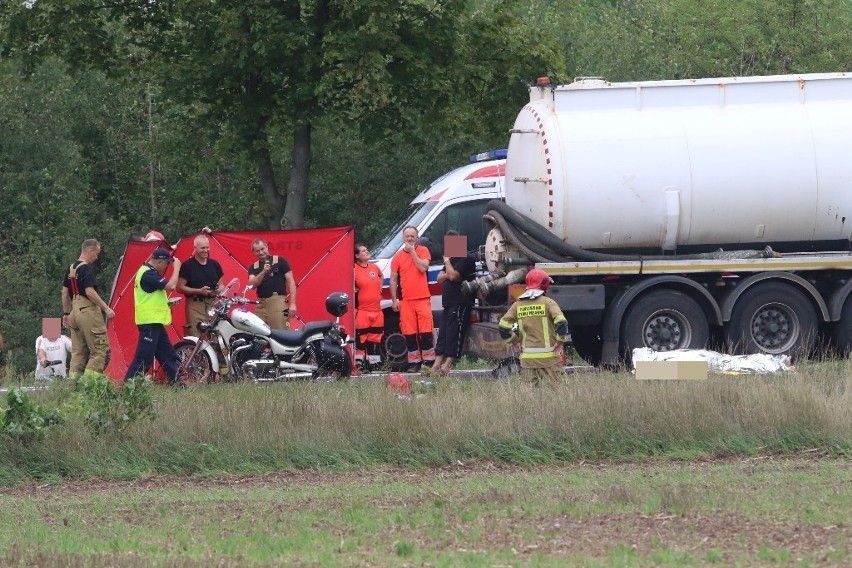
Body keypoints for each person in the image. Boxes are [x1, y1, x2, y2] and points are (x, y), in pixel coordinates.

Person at [498, 268, 568, 386]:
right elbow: (561, 322)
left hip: (527, 360)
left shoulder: (517, 305)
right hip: (550, 359)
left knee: (529, 398)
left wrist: (515, 341)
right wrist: (560, 342)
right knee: (559, 394)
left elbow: (503, 326)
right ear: (544, 284)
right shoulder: (548, 302)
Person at [124, 248, 183, 385]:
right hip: (149, 323)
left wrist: (166, 303)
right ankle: (129, 387)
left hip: (155, 322)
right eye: (166, 264)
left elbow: (151, 297)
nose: (167, 267)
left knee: (168, 354)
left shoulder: (149, 272)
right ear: (159, 261)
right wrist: (177, 268)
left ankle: (177, 384)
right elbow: (171, 286)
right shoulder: (148, 274)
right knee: (144, 358)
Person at [61, 238, 115, 378]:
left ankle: (73, 386)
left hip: (74, 312)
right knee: (100, 350)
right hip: (88, 311)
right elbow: (90, 291)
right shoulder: (86, 269)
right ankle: (89, 387)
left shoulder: (71, 268)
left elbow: (65, 292)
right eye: (96, 254)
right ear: (89, 250)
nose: (96, 257)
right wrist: (106, 308)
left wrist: (66, 313)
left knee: (78, 353)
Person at [430, 233, 476, 375]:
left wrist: (447, 264)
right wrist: (448, 271)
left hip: (460, 301)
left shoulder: (466, 258)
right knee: (443, 333)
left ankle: (447, 365)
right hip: (448, 303)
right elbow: (439, 278)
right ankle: (436, 365)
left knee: (454, 333)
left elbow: (454, 276)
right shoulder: (452, 260)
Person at [390, 226, 435, 371]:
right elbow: (393, 279)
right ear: (403, 237)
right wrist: (394, 300)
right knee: (409, 332)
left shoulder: (423, 250)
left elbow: (423, 268)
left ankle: (429, 362)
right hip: (406, 300)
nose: (410, 238)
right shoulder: (397, 256)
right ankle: (414, 363)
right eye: (407, 236)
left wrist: (413, 252)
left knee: (426, 331)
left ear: (417, 237)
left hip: (422, 298)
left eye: (412, 236)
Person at [177, 234, 225, 335]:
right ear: (195, 248)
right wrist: (199, 291)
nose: (206, 250)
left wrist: (218, 290)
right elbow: (179, 287)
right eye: (202, 248)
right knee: (196, 334)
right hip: (195, 304)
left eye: (207, 247)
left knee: (215, 335)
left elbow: (222, 285)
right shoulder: (187, 265)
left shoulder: (214, 264)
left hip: (212, 304)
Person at [247, 238, 297, 329]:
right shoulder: (253, 267)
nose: (261, 253)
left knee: (281, 332)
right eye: (257, 251)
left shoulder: (280, 261)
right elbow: (251, 285)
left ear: (266, 247)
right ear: (254, 252)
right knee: (256, 331)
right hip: (261, 303)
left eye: (262, 249)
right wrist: (263, 272)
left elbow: (291, 282)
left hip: (278, 301)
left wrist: (293, 304)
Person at [354, 243, 384, 367]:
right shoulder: (353, 269)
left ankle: (373, 364)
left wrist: (380, 288)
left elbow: (381, 276)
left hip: (377, 310)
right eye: (363, 251)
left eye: (367, 250)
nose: (367, 252)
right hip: (362, 311)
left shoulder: (374, 267)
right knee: (361, 339)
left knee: (375, 339)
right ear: (357, 255)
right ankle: (360, 365)